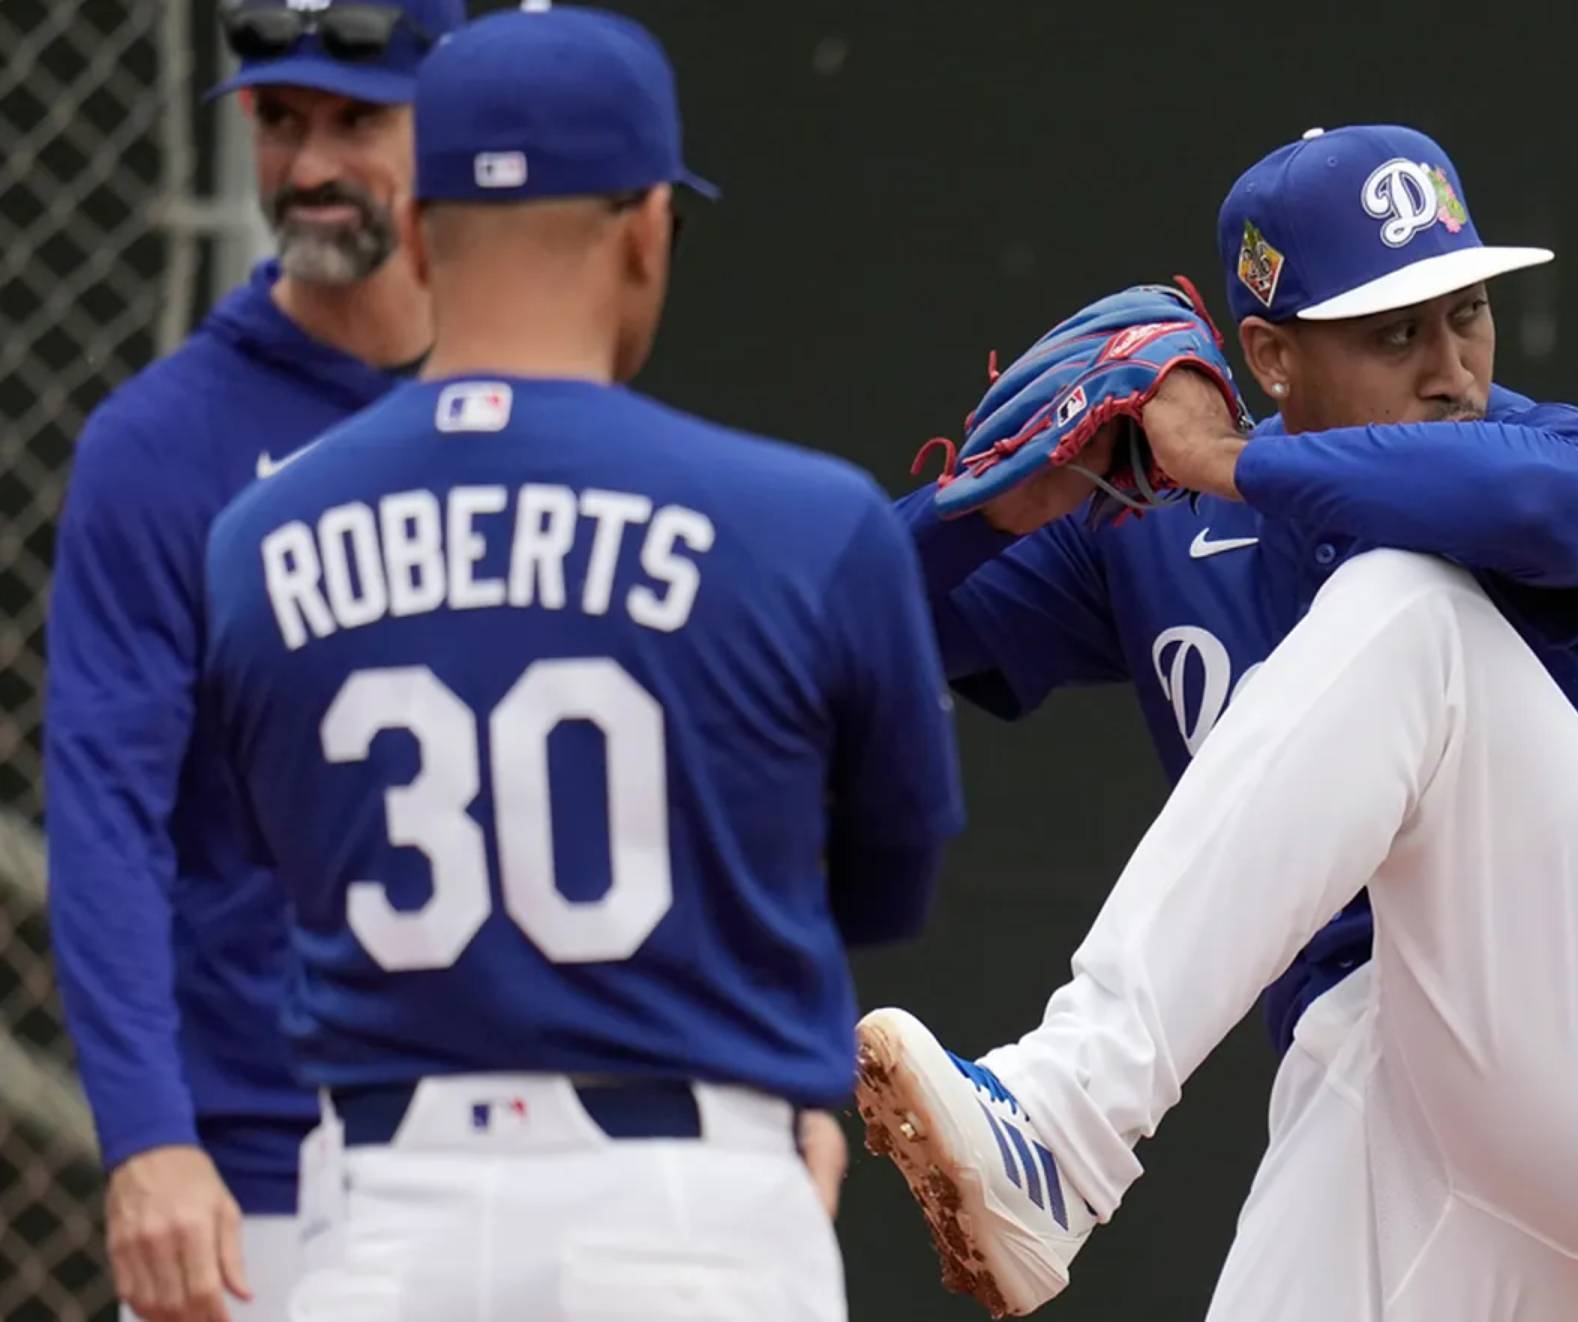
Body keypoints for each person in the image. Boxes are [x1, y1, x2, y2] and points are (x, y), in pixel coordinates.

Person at [857, 124, 1578, 1320]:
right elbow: (843, 625)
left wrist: (1228, 458)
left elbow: (1506, 499)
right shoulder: (1165, 532)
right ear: (1272, 356)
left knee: (1408, 603)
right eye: (1397, 331)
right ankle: (1053, 1143)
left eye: (1469, 311)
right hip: (1383, 1102)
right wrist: (993, 512)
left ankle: (1068, 1113)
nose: (1452, 367)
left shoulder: (1577, 461)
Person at [198, 8, 963, 1320]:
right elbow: (886, 886)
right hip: (690, 1212)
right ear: (648, 226)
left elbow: (262, 860)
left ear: (423, 230)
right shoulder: (809, 520)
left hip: (380, 1225)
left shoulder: (257, 538)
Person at [45, 4, 463, 1319]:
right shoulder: (159, 444)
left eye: (358, 121)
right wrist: (150, 1137)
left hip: (523, 1142)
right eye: (282, 122)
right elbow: (104, 810)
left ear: (444, 123)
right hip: (261, 1169)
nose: (312, 166)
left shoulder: (539, 392)